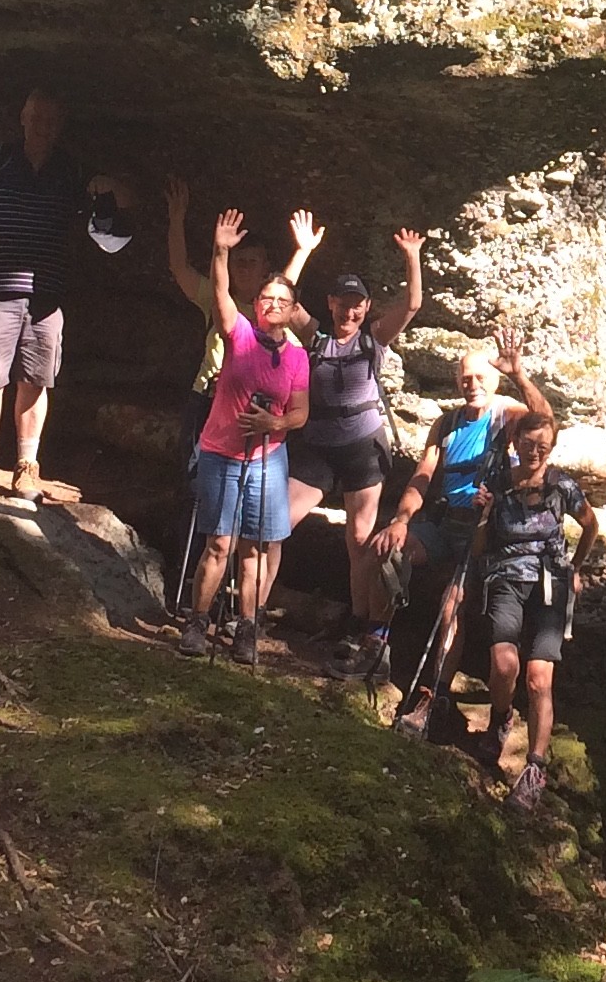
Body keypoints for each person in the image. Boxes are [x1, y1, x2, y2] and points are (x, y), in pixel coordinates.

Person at [0, 72, 121, 510]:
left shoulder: (71, 170)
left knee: (36, 381)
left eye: (51, 120)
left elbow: (117, 203)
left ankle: (27, 467)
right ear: (23, 118)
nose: (43, 126)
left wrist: (110, 187)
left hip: (47, 294)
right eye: (36, 118)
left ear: (61, 124)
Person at [378, 338, 552, 741]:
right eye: (465, 378)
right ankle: (377, 641)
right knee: (386, 553)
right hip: (443, 523)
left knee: (452, 602)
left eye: (479, 377)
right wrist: (401, 519)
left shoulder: (504, 416)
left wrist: (518, 375)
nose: (471, 384)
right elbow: (423, 475)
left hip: (483, 531)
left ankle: (433, 693)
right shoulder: (447, 423)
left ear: (493, 382)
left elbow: (543, 425)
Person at [172, 207, 316, 666]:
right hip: (222, 450)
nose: (273, 305)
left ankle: (248, 628)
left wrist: (273, 425)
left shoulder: (296, 358)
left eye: (282, 302)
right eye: (266, 300)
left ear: (293, 311)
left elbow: (300, 413)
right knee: (219, 542)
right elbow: (217, 291)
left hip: (267, 459)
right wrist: (220, 250)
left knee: (255, 547)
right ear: (256, 306)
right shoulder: (240, 336)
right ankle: (198, 620)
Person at [285, 216, 424, 677]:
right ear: (330, 303)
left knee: (360, 539)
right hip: (318, 445)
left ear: (365, 306)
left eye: (357, 304)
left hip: (363, 446)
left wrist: (412, 257)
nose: (350, 312)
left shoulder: (372, 340)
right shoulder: (316, 337)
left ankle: (364, 626)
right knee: (277, 520)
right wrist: (302, 250)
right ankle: (247, 606)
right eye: (343, 304)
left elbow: (411, 306)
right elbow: (281, 299)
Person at [473, 399, 585, 809]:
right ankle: (501, 717)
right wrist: (482, 515)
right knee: (505, 665)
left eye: (543, 445)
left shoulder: (562, 486)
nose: (534, 451)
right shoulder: (499, 482)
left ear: (551, 448)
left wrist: (576, 566)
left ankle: (535, 766)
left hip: (551, 584)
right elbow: (480, 547)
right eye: (528, 442)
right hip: (505, 577)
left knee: (539, 679)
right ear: (516, 440)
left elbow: (588, 524)